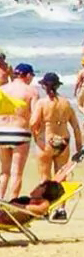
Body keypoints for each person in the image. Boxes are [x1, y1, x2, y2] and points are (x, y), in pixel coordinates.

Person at [30, 73, 83, 198]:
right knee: (62, 176)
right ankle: (61, 209)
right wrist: (79, 147)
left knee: (44, 178)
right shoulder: (66, 103)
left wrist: (35, 135)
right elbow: (76, 127)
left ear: (44, 86)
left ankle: (46, 206)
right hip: (63, 141)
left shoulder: (42, 103)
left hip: (46, 141)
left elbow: (33, 123)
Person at [0, 64, 39, 199]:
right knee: (16, 172)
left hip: (2, 132)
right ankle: (12, 203)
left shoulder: (2, 89)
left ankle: (0, 199)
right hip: (20, 132)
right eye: (32, 76)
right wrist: (38, 137)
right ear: (27, 75)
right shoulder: (31, 91)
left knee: (4, 171)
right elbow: (35, 117)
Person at [0, 180, 65, 226]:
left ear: (44, 190)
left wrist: (23, 207)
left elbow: (41, 209)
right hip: (8, 213)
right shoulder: (27, 199)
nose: (37, 187)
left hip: (11, 215)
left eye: (40, 186)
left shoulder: (44, 202)